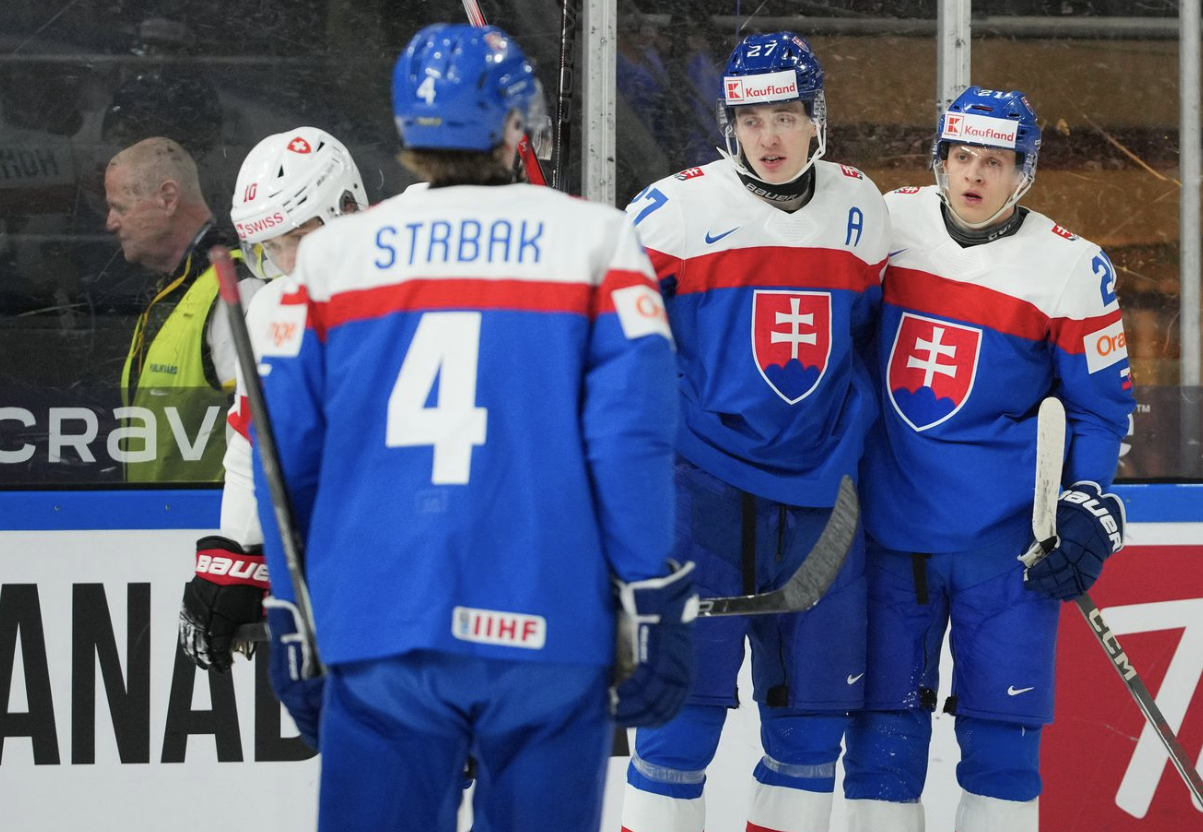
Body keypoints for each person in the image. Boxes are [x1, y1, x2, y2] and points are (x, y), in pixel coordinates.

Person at [249, 24, 696, 832]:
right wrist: (651, 592)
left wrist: (290, 607)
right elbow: (630, 440)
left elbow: (282, 462)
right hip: (547, 625)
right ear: (517, 124)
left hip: (380, 628)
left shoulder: (328, 261)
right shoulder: (594, 241)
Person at [841, 86, 1135, 832]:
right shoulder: (888, 224)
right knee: (882, 743)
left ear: (1024, 172)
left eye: (995, 162)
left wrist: (1087, 501)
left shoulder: (1072, 268)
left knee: (1003, 753)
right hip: (887, 535)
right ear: (939, 160)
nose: (975, 176)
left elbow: (1100, 410)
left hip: (1009, 548)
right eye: (961, 157)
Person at [621, 31, 888, 832]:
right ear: (727, 122)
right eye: (751, 117)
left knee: (810, 732)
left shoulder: (863, 208)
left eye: (786, 114)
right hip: (697, 497)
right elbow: (617, 356)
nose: (768, 136)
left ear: (817, 120)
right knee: (680, 725)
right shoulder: (667, 213)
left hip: (819, 505)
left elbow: (869, 339)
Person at [176, 127, 368, 748]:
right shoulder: (274, 310)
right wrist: (234, 557)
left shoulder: (435, 277)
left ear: (348, 207)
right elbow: (250, 447)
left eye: (300, 239)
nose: (289, 264)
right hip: (349, 578)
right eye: (272, 247)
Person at [103, 136, 259, 482]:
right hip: (161, 526)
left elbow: (259, 439)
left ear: (167, 198)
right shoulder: (173, 292)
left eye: (120, 208)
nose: (110, 222)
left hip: (210, 528)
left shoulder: (234, 289)